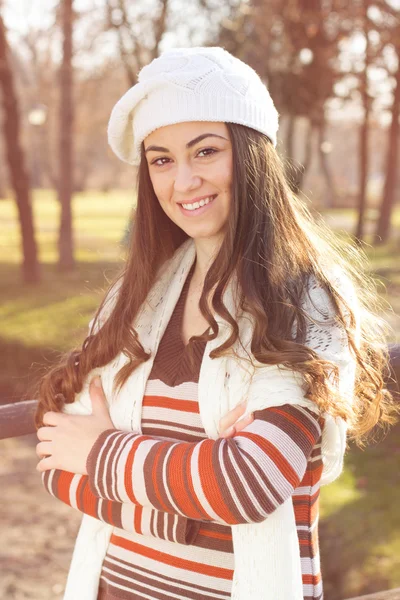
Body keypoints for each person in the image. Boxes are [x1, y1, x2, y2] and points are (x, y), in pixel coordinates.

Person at [35, 47, 397, 600]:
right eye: (160, 159)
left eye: (205, 151)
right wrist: (186, 507)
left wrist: (101, 453)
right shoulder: (133, 300)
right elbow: (55, 458)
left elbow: (247, 485)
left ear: (252, 155)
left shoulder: (300, 301)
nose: (183, 182)